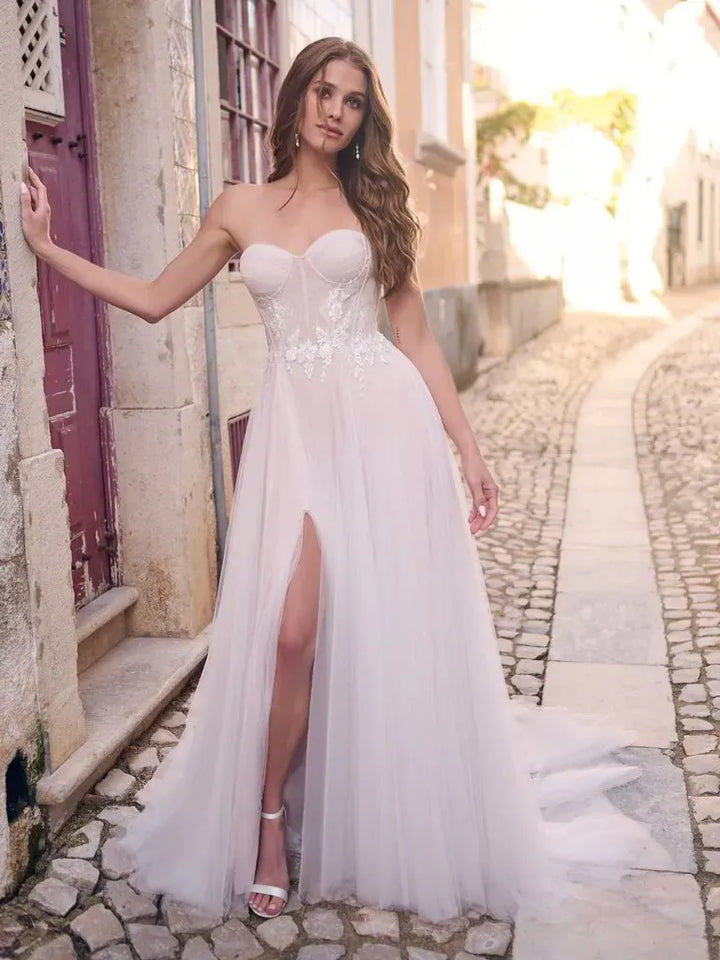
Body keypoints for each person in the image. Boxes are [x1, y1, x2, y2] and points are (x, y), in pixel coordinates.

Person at [21, 36, 663, 927]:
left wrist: (466, 447)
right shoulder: (240, 205)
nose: (335, 109)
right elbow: (156, 298)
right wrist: (51, 252)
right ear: (295, 99)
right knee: (292, 634)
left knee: (361, 630)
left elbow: (419, 338)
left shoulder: (373, 205)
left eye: (353, 100)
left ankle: (348, 802)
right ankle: (271, 817)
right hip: (296, 440)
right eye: (323, 91)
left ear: (365, 117)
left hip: (383, 430)